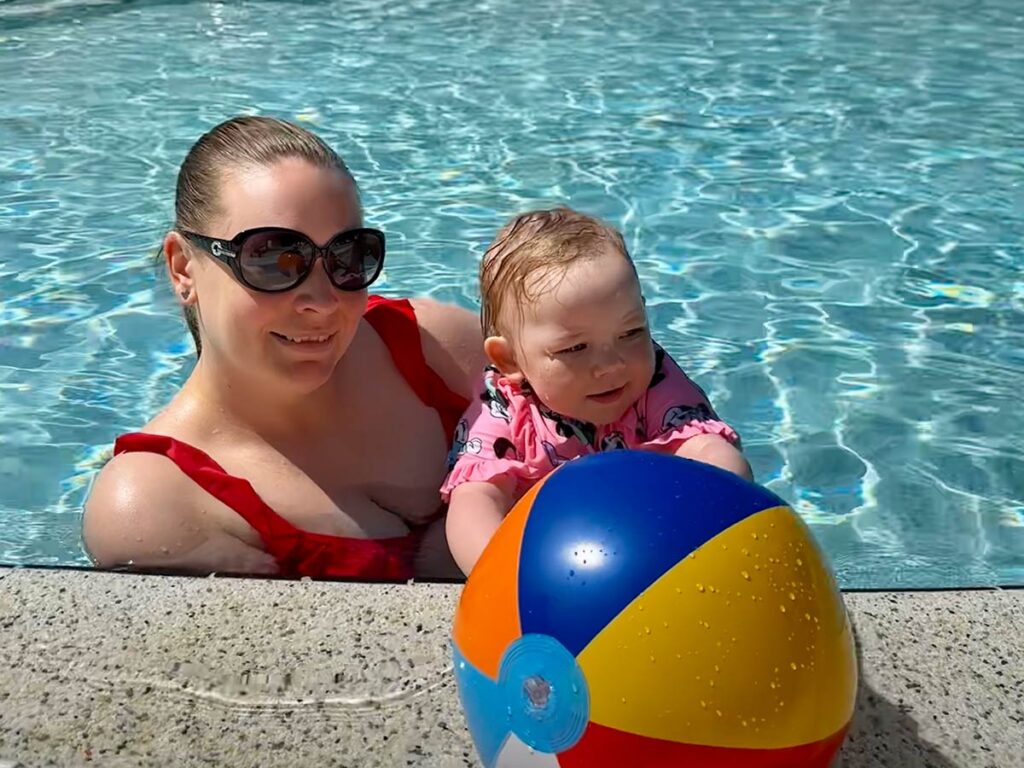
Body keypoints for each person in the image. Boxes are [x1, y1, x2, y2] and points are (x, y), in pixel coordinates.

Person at [82, 116, 484, 580]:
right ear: (183, 269)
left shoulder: (440, 350)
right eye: (273, 258)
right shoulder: (155, 502)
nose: (322, 301)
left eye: (347, 256)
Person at [442, 207, 752, 575]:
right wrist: (507, 577)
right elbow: (473, 500)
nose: (611, 365)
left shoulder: (654, 380)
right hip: (548, 561)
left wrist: (718, 518)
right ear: (509, 359)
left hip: (650, 545)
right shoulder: (503, 406)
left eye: (631, 333)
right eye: (574, 348)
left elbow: (711, 450)